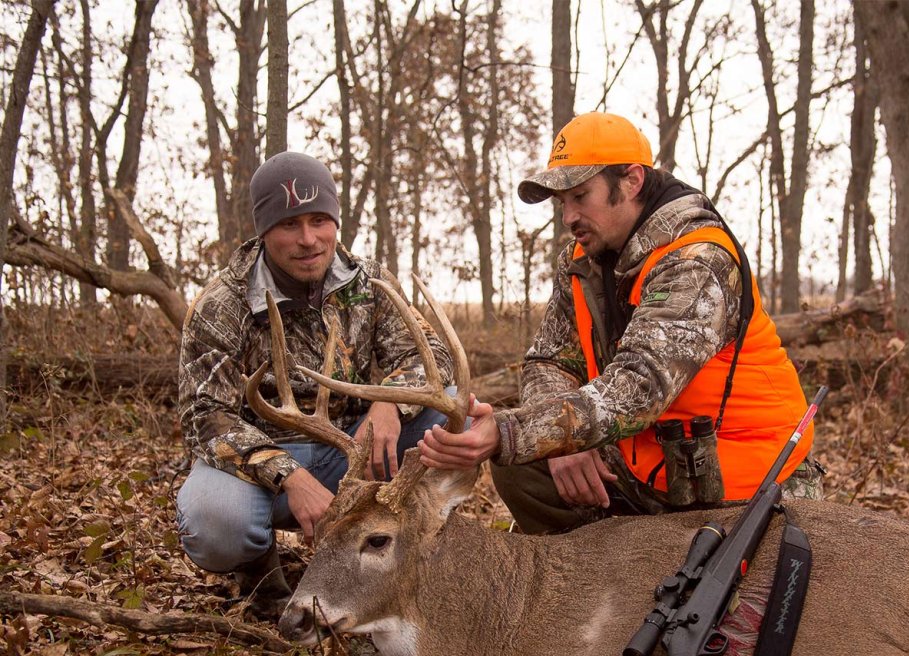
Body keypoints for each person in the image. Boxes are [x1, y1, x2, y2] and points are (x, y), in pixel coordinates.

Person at [418, 112, 820, 534]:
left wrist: (511, 431)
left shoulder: (697, 262)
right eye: (563, 203)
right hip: (650, 470)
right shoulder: (580, 262)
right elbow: (548, 361)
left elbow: (639, 388)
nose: (568, 217)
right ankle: (593, 583)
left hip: (746, 481)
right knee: (526, 467)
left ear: (631, 181)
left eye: (580, 196)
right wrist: (559, 444)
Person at [177, 151, 454, 619]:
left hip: (353, 450)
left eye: (320, 220)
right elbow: (204, 415)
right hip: (261, 471)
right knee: (216, 524)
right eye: (290, 225)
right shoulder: (222, 303)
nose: (308, 240)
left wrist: (390, 405)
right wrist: (289, 476)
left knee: (451, 415)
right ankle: (259, 573)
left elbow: (431, 357)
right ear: (264, 230)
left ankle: (403, 559)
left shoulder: (371, 284)